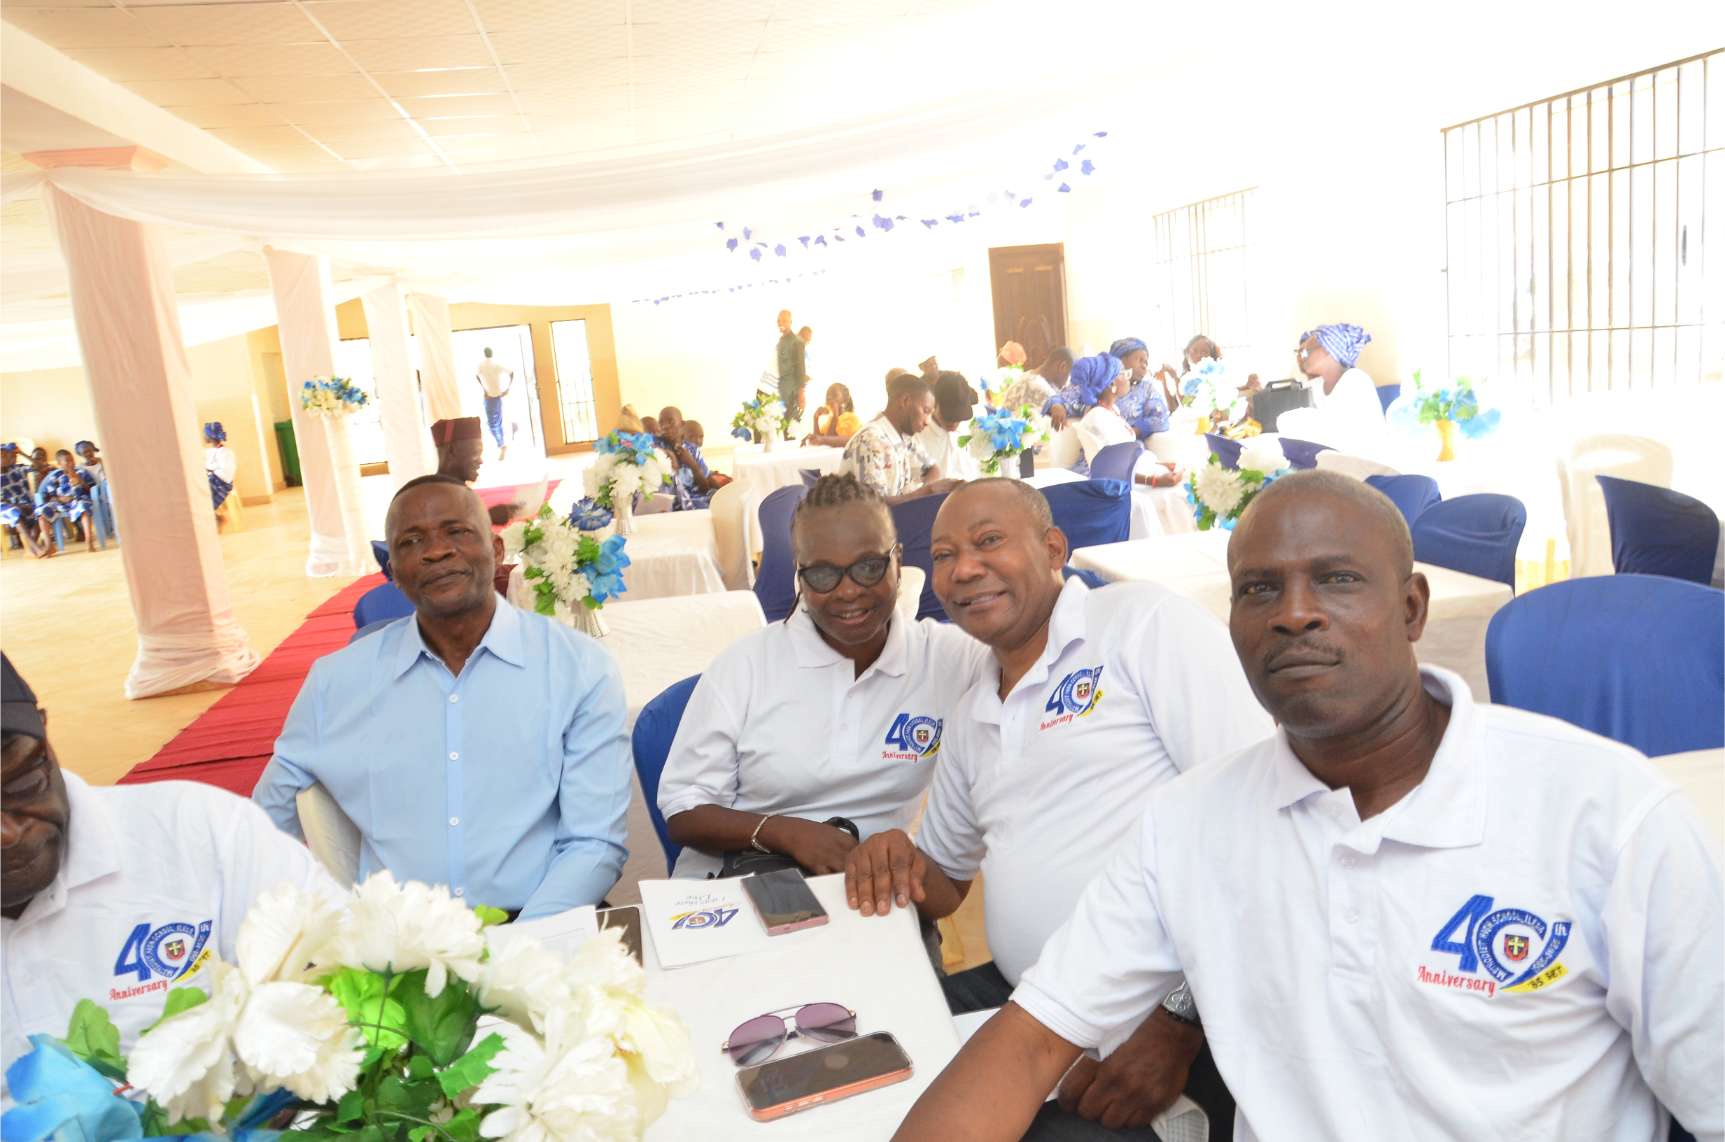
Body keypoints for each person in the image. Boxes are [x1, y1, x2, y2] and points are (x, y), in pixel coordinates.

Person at [891, 470, 1725, 1142]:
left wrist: (1172, 1027)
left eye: (1336, 580)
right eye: (1258, 590)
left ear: (1411, 609)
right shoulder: (1187, 824)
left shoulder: (1605, 817)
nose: (1293, 614)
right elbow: (1030, 1041)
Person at [846, 479, 1271, 1137]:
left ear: (1052, 549)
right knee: (848, 1069)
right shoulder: (973, 705)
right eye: (944, 555)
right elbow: (946, 881)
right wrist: (893, 854)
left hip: (1159, 1028)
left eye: (988, 541)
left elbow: (1264, 825)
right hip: (1029, 1003)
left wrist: (1178, 1023)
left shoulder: (1141, 625)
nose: (963, 570)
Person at [253, 475, 632, 918]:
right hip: (397, 938)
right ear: (393, 573)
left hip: (540, 922)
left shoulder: (578, 668)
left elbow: (593, 843)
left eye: (457, 531)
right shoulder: (337, 683)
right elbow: (261, 827)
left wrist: (525, 942)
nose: (436, 551)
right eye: (411, 541)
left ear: (497, 550)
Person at [1, 653, 340, 1083]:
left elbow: (347, 986)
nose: (6, 833)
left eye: (24, 784)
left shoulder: (202, 835)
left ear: (46, 737)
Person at [658, 474, 989, 877]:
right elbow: (684, 811)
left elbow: (1038, 648)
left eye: (869, 567)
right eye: (822, 574)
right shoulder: (746, 666)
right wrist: (784, 832)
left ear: (898, 560)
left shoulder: (947, 659)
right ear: (799, 575)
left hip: (864, 887)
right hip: (739, 877)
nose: (848, 591)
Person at [839, 375, 961, 505]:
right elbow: (874, 506)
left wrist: (924, 492)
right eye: (926, 411)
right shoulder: (870, 440)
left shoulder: (904, 438)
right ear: (905, 401)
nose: (927, 421)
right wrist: (926, 492)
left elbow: (933, 469)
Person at [1277, 323, 1383, 453]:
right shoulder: (1316, 385)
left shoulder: (1356, 380)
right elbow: (1283, 408)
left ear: (1326, 350)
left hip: (1361, 461)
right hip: (1328, 459)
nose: (1302, 357)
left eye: (1306, 352)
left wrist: (1296, 420)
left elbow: (1343, 435)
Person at [916, 372, 982, 483]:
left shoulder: (967, 430)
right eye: (948, 417)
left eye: (959, 417)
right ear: (935, 403)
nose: (954, 423)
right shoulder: (918, 437)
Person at [657, 406, 726, 510]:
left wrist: (692, 464)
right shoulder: (657, 449)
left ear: (682, 425)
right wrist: (673, 465)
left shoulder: (692, 450)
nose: (665, 426)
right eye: (661, 423)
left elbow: (705, 487)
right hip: (673, 504)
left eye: (671, 422)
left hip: (699, 500)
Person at [36, 450, 97, 553]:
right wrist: (60, 499)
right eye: (67, 461)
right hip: (60, 503)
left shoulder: (82, 472)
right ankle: (49, 545)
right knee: (41, 512)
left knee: (83, 507)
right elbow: (50, 495)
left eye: (72, 460)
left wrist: (81, 481)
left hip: (79, 499)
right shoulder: (55, 476)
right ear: (59, 463)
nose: (71, 463)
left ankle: (89, 541)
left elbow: (92, 489)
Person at [0, 443, 48, 558]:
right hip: (4, 507)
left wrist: (21, 453)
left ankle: (31, 550)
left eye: (8, 455)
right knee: (15, 511)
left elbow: (40, 467)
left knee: (41, 510)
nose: (8, 458)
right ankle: (35, 547)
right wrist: (17, 505)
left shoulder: (18, 469)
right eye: (3, 456)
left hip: (25, 504)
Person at [998, 348, 1071, 413]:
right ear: (1062, 367)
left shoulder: (1027, 376)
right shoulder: (1041, 389)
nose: (1067, 383)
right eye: (1070, 375)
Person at [73, 440, 116, 546]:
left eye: (89, 451)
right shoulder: (81, 468)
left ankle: (114, 527)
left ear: (93, 450)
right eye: (85, 452)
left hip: (107, 489)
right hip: (92, 492)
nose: (88, 454)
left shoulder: (102, 462)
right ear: (80, 454)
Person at [475, 347, 513, 460]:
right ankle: (502, 444)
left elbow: (477, 376)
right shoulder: (497, 364)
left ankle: (501, 445)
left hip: (490, 397)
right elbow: (511, 373)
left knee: (492, 424)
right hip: (497, 397)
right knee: (497, 423)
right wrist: (507, 389)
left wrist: (484, 389)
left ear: (484, 353)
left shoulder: (482, 365)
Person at [775, 310, 808, 428]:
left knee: (789, 429)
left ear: (790, 322)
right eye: (779, 321)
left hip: (792, 393)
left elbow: (800, 369)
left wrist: (801, 394)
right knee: (780, 426)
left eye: (784, 320)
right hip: (781, 391)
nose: (781, 323)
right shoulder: (781, 341)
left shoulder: (797, 342)